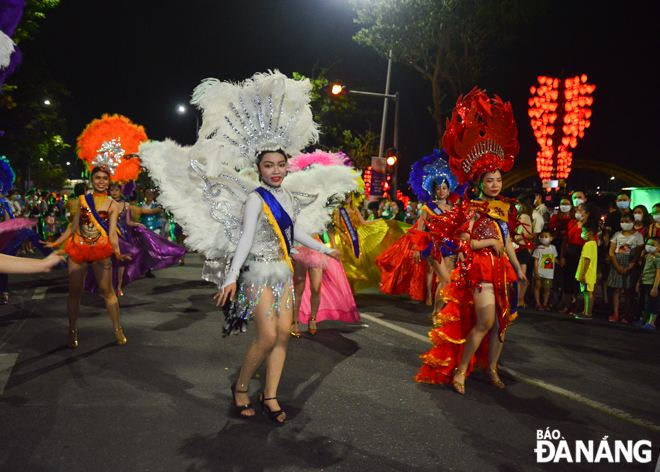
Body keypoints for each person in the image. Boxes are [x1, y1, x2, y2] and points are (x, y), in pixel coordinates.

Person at [139, 71, 360, 423]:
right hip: (257, 271)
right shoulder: (256, 199)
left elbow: (295, 232)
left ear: (287, 166)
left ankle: (270, 395)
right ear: (258, 169)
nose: (276, 170)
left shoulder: (287, 195)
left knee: (284, 335)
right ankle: (241, 386)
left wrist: (323, 248)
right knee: (268, 335)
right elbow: (243, 239)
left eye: (280, 164)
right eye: (268, 165)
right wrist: (230, 278)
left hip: (284, 269)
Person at [415, 88, 527, 393]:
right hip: (479, 270)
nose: (495, 184)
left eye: (498, 179)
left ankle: (491, 368)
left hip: (504, 270)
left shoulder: (504, 208)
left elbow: (507, 241)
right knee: (486, 321)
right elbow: (463, 243)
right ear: (480, 183)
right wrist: (486, 245)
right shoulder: (472, 208)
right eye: (489, 180)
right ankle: (461, 370)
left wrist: (518, 267)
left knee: (502, 326)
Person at [44, 167, 132, 347]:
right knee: (75, 291)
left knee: (107, 291)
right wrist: (55, 243)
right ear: (92, 180)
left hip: (101, 249)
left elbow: (113, 233)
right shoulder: (82, 200)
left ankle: (117, 329)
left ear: (109, 181)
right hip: (78, 248)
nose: (101, 181)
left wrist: (117, 252)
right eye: (98, 178)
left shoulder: (112, 205)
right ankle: (72, 330)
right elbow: (73, 227)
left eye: (105, 178)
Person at [377, 149, 460, 315]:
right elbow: (420, 229)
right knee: (444, 279)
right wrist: (416, 249)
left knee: (449, 281)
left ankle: (440, 311)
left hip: (451, 247)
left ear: (449, 189)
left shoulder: (454, 209)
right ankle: (436, 310)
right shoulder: (427, 208)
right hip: (434, 247)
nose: (442, 191)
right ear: (434, 190)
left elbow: (457, 230)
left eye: (445, 188)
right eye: (439, 188)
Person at [607, 211, 644, 323]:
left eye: (627, 222)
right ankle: (616, 313)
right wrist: (617, 266)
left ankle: (626, 314)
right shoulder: (617, 235)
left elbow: (637, 253)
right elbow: (611, 252)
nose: (624, 224)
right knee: (616, 289)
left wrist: (629, 266)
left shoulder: (638, 236)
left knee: (629, 290)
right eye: (622, 222)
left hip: (630, 262)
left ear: (633, 222)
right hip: (617, 262)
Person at [560, 202, 597, 314]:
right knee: (568, 280)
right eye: (577, 210)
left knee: (580, 282)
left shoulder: (590, 227)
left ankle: (578, 307)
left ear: (587, 214)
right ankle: (567, 305)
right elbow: (565, 239)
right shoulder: (572, 223)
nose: (577, 213)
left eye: (580, 211)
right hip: (570, 252)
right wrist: (562, 255)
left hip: (582, 254)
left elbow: (592, 243)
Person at [514, 193, 535, 308]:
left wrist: (513, 237)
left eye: (518, 204)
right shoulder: (520, 216)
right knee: (519, 275)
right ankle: (518, 299)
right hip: (518, 248)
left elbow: (524, 234)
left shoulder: (525, 217)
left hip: (521, 248)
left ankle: (520, 299)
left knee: (521, 275)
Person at [574, 221, 598, 319]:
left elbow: (587, 260)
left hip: (587, 274)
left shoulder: (588, 245)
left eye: (584, 231)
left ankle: (588, 313)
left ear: (590, 233)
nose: (582, 233)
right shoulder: (593, 244)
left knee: (588, 293)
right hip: (589, 274)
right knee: (586, 293)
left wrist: (583, 274)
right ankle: (585, 311)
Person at [635, 237, 660, 330]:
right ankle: (644, 320)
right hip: (644, 282)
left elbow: (658, 274)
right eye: (648, 244)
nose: (649, 247)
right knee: (643, 302)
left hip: (652, 284)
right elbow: (644, 270)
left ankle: (652, 323)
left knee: (652, 303)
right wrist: (639, 282)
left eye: (652, 245)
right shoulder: (647, 257)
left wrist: (655, 287)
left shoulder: (658, 258)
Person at [533, 229, 558, 310]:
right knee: (537, 286)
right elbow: (536, 260)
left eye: (546, 237)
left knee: (547, 288)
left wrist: (560, 262)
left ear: (551, 238)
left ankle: (545, 303)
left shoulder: (553, 248)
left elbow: (554, 258)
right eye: (542, 236)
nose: (543, 238)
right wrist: (536, 272)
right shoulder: (538, 248)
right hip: (539, 272)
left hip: (549, 273)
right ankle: (538, 303)